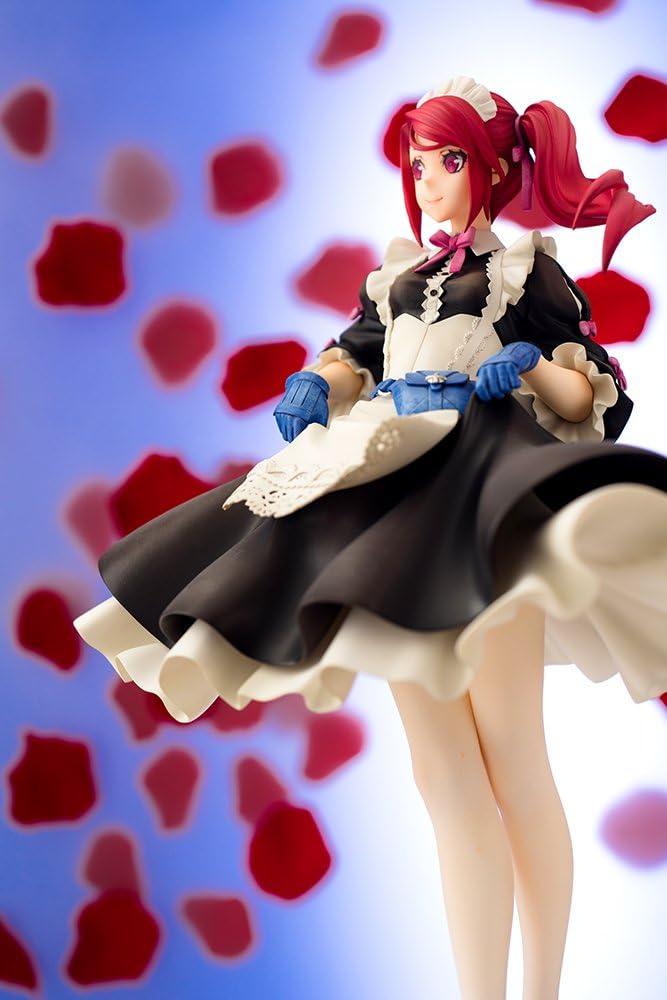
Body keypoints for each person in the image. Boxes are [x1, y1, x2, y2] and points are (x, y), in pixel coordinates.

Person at [73, 76, 667, 1000]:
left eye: (448, 160)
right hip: (389, 504)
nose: (429, 181)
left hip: (482, 504)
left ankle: (542, 990)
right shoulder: (395, 281)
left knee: (512, 752)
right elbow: (352, 354)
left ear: (494, 168)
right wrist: (322, 382)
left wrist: (531, 371)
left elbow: (595, 390)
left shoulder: (525, 271)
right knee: (440, 772)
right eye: (418, 164)